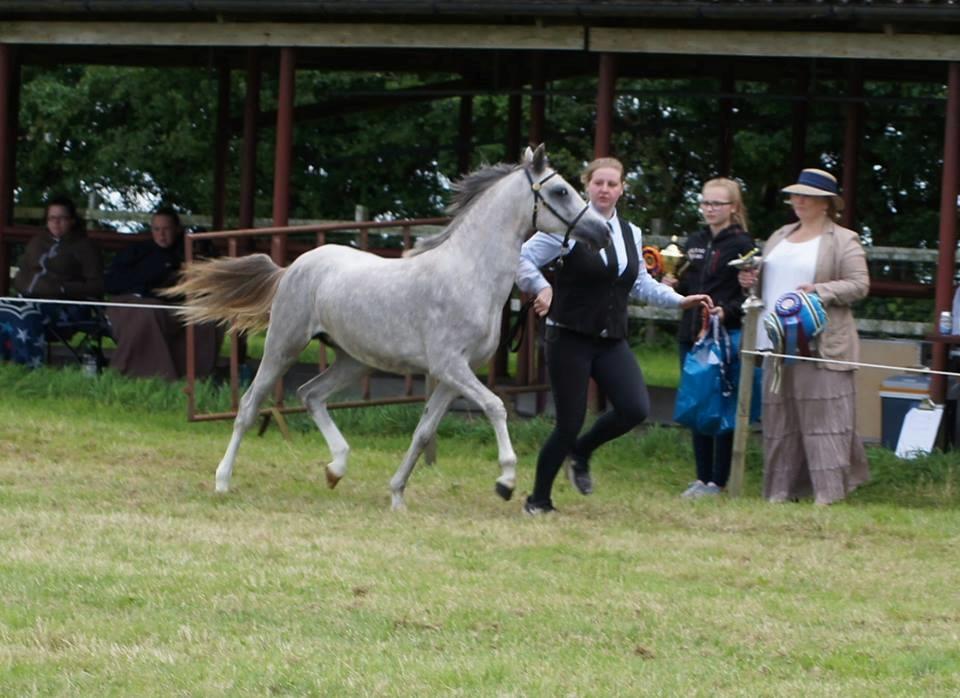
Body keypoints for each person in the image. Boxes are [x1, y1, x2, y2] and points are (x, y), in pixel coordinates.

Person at [516, 156, 712, 515]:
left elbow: (639, 283)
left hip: (610, 339)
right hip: (569, 335)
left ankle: (582, 451)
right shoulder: (564, 228)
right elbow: (520, 258)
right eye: (598, 183)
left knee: (635, 408)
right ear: (586, 186)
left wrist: (680, 300)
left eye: (612, 184)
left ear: (622, 189)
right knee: (569, 422)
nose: (605, 190)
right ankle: (538, 500)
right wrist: (541, 287)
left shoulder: (630, 233)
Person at [738, 168, 870, 505]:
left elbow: (859, 284)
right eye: (795, 194)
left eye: (806, 195)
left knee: (824, 420)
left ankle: (828, 494)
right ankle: (780, 491)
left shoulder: (844, 239)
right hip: (777, 343)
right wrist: (749, 281)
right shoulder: (779, 236)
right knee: (780, 419)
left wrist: (820, 290)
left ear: (826, 203)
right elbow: (767, 285)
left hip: (822, 345)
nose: (798, 201)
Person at [663, 178, 755, 499]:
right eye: (705, 203)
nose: (710, 209)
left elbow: (749, 294)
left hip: (723, 336)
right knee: (697, 403)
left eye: (717, 204)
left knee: (721, 406)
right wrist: (670, 283)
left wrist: (724, 312)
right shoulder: (694, 241)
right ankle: (701, 478)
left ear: (733, 208)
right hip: (691, 334)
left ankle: (720, 480)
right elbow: (686, 288)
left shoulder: (743, 244)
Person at [104, 207, 221, 380]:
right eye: (157, 229)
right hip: (133, 303)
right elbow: (111, 283)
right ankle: (151, 374)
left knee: (208, 317)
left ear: (177, 230)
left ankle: (195, 374)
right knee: (149, 311)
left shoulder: (187, 252)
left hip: (177, 305)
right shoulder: (137, 252)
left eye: (166, 229)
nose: (161, 235)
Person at [0, 195, 103, 367]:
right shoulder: (37, 242)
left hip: (65, 306)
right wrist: (23, 286)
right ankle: (4, 366)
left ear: (72, 221)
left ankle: (29, 368)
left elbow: (97, 285)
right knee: (4, 307)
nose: (56, 223)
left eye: (62, 218)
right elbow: (22, 274)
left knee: (24, 314)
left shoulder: (85, 247)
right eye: (52, 218)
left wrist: (63, 289)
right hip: (27, 299)